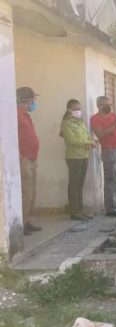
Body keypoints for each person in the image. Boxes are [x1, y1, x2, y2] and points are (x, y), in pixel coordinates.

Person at [91, 96, 116, 217]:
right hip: (109, 151)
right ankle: (111, 208)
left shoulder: (114, 116)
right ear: (99, 105)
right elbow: (100, 134)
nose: (108, 106)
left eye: (110, 104)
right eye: (105, 104)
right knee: (111, 179)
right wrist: (114, 125)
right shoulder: (95, 119)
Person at [60, 99, 94, 221]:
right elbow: (72, 140)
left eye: (79, 108)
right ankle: (74, 212)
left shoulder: (81, 122)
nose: (78, 111)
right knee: (73, 184)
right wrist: (88, 142)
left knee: (80, 184)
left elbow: (87, 135)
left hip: (84, 155)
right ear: (69, 110)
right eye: (75, 109)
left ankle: (80, 209)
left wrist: (90, 141)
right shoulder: (66, 123)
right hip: (73, 157)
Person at [16, 86, 42, 235]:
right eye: (33, 98)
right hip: (23, 157)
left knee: (31, 191)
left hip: (32, 157)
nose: (34, 102)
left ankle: (28, 220)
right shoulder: (16, 114)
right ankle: (23, 221)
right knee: (26, 191)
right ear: (25, 99)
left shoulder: (25, 115)